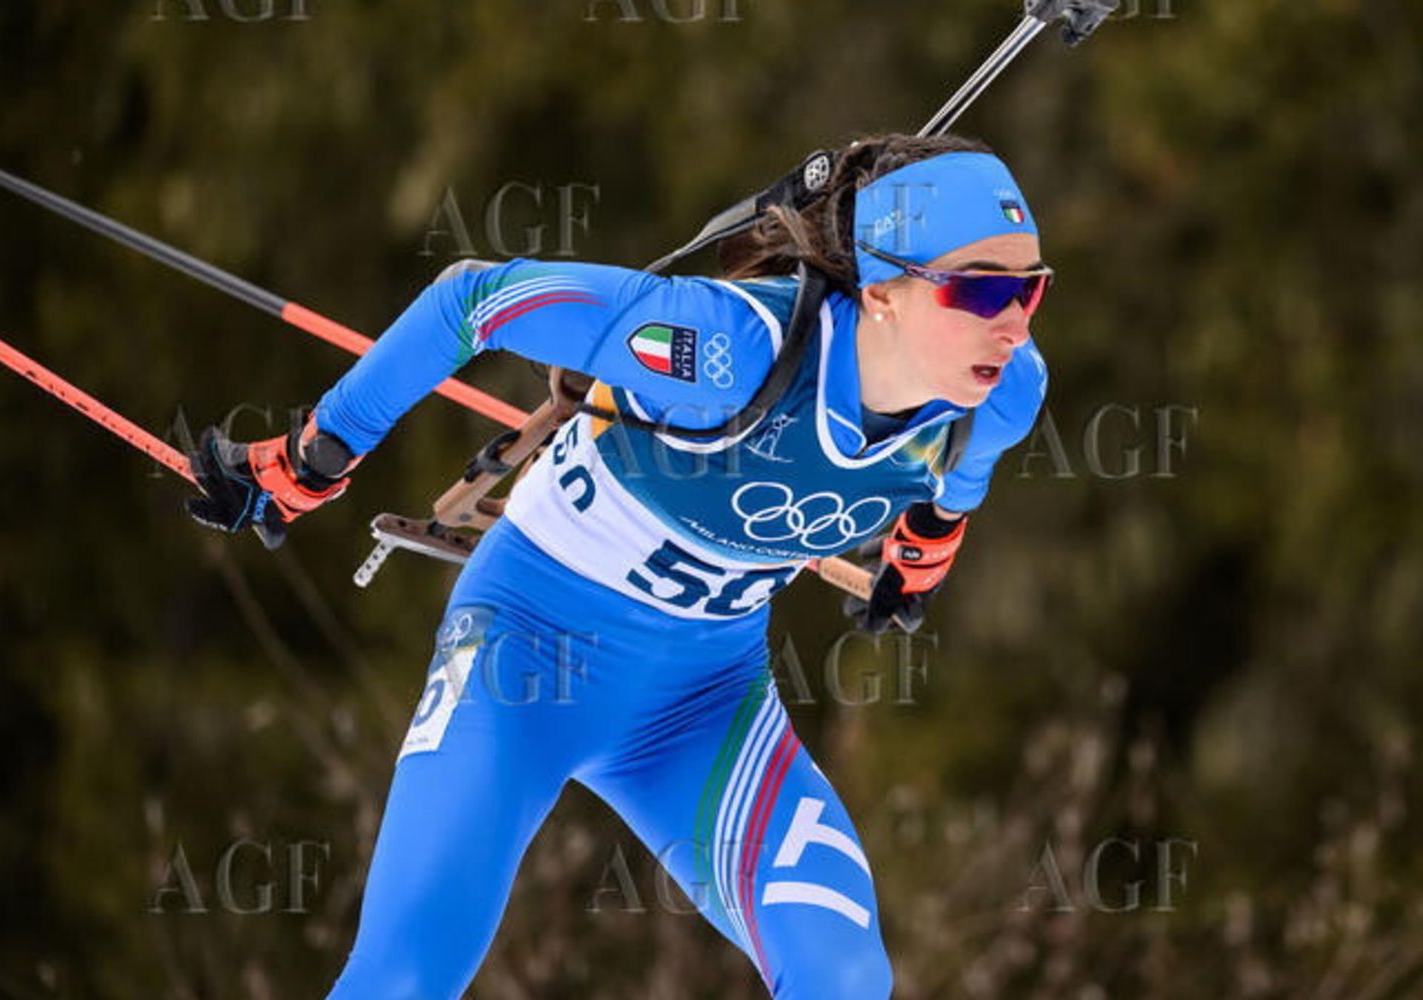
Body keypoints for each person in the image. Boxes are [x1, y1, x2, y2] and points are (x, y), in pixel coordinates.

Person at [185, 133, 1051, 999]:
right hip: (521, 664)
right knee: (406, 976)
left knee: (845, 978)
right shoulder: (726, 350)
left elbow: (953, 489)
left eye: (1029, 289)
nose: (1011, 320)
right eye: (978, 288)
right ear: (884, 291)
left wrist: (923, 555)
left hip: (704, 708)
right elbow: (474, 299)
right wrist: (313, 457)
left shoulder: (1002, 393)